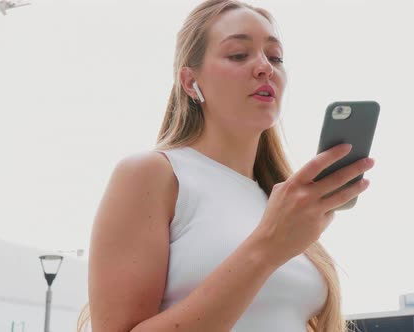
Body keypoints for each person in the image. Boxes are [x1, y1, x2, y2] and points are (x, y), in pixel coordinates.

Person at [78, 0, 375, 331]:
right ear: (190, 82)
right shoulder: (152, 174)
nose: (265, 68)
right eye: (238, 54)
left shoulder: (278, 196)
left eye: (275, 57)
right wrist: (267, 249)